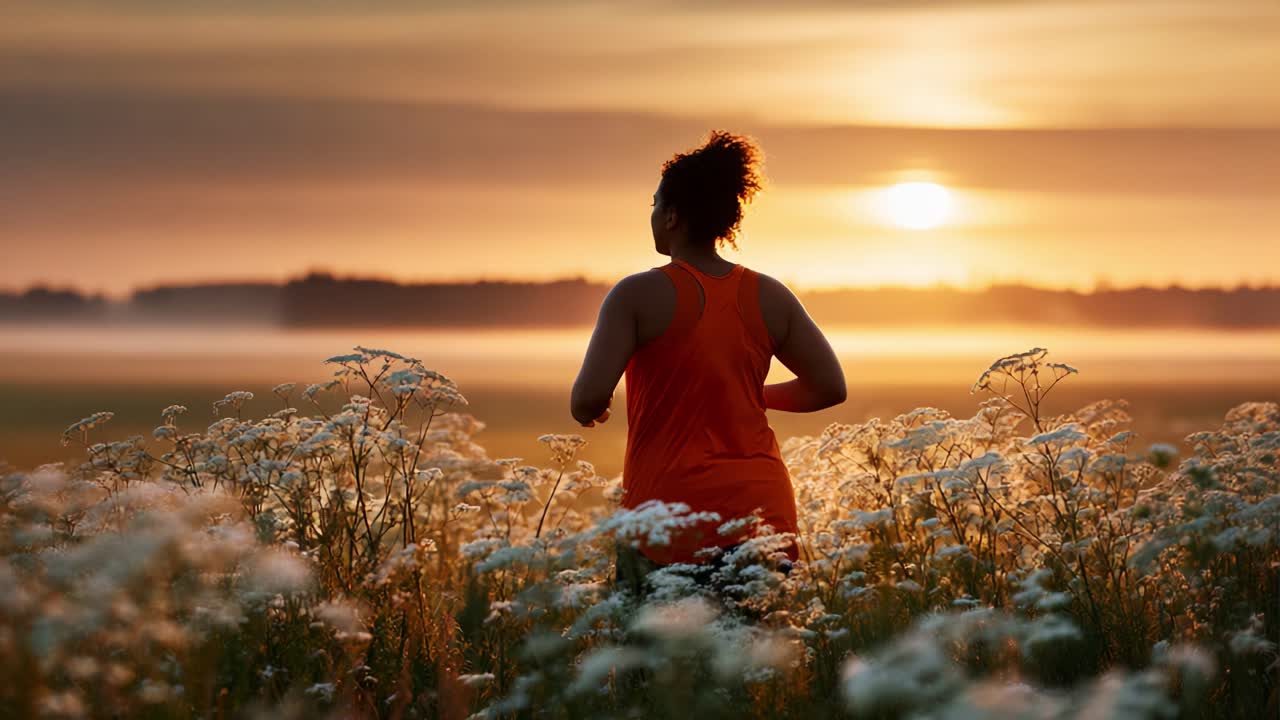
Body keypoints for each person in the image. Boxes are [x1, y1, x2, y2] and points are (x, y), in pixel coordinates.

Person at [570, 130, 847, 596]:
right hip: (763, 515)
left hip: (668, 520)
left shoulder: (636, 294)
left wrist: (594, 411)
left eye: (656, 204)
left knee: (656, 666)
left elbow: (587, 399)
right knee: (755, 663)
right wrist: (738, 393)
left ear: (673, 215)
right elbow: (828, 386)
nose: (653, 215)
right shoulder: (768, 294)